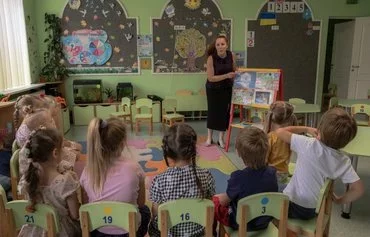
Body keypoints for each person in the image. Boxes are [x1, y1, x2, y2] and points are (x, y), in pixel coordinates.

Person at [275, 107, 365, 220]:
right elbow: (358, 189)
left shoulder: (308, 144)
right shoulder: (343, 160)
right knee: (280, 185)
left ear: (320, 131)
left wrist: (306, 129)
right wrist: (339, 200)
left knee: (268, 186)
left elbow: (279, 132)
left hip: (293, 204)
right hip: (314, 209)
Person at [80, 117, 150, 237]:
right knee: (145, 210)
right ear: (122, 144)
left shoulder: (87, 171)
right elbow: (141, 203)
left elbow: (85, 205)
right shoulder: (134, 168)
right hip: (129, 230)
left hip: (98, 231)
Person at [148, 123, 215, 237]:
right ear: (193, 151)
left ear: (168, 155)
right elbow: (209, 204)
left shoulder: (159, 181)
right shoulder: (206, 175)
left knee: (153, 224)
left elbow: (155, 213)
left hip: (169, 233)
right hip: (198, 233)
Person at [18, 128, 81, 237]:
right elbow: (75, 214)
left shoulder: (27, 178)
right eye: (63, 148)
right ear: (55, 153)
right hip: (61, 231)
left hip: (34, 230)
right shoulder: (66, 181)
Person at [213, 127, 278, 232]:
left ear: (238, 152)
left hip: (241, 223)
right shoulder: (272, 173)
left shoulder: (238, 177)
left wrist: (216, 198)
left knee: (213, 203)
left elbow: (225, 201)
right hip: (264, 221)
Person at [205, 35, 236, 149]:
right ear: (215, 46)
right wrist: (227, 75)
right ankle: (209, 138)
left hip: (226, 88)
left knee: (224, 112)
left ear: (227, 45)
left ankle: (221, 139)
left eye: (222, 44)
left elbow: (234, 69)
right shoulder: (211, 58)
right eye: (218, 44)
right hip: (213, 88)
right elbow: (211, 78)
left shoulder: (231, 55)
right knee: (213, 112)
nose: (220, 46)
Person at [264, 101, 297, 191]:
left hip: (272, 174)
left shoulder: (270, 137)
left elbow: (264, 160)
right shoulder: (290, 136)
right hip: (284, 172)